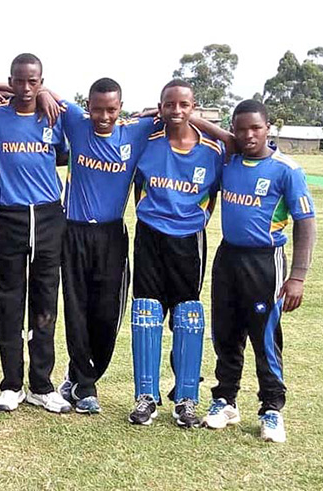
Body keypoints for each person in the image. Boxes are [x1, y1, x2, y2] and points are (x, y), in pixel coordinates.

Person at [193, 100, 316, 443]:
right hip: (228, 258)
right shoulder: (229, 160)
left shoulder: (286, 170)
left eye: (255, 128)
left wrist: (298, 276)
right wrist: (190, 117)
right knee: (224, 332)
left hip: (265, 261)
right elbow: (221, 137)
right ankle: (225, 400)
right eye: (241, 128)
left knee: (264, 336)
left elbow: (306, 223)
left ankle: (272, 409)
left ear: (268, 128)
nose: (248, 135)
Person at [46, 78, 160, 414]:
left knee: (108, 314)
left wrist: (155, 111)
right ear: (89, 106)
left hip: (111, 236)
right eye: (97, 109)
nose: (103, 116)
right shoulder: (77, 122)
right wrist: (37, 91)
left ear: (120, 108)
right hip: (74, 232)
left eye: (110, 109)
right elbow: (40, 89)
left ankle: (83, 375)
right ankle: (85, 386)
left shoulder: (135, 132)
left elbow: (175, 114)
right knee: (77, 309)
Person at [128, 79, 224, 428]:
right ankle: (145, 398)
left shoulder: (212, 153)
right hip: (149, 235)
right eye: (170, 105)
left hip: (189, 241)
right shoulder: (146, 144)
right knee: (146, 312)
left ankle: (186, 399)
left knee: (188, 315)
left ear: (194, 107)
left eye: (185, 105)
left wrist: (198, 123)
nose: (177, 111)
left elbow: (234, 143)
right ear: (160, 106)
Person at [0, 54, 71, 414]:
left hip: (51, 216)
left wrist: (49, 95)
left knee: (45, 301)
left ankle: (41, 384)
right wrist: (0, 89)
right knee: (9, 300)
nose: (25, 88)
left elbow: (64, 156)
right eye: (18, 81)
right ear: (10, 80)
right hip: (12, 216)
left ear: (41, 81)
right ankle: (11, 385)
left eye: (33, 82)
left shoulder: (57, 116)